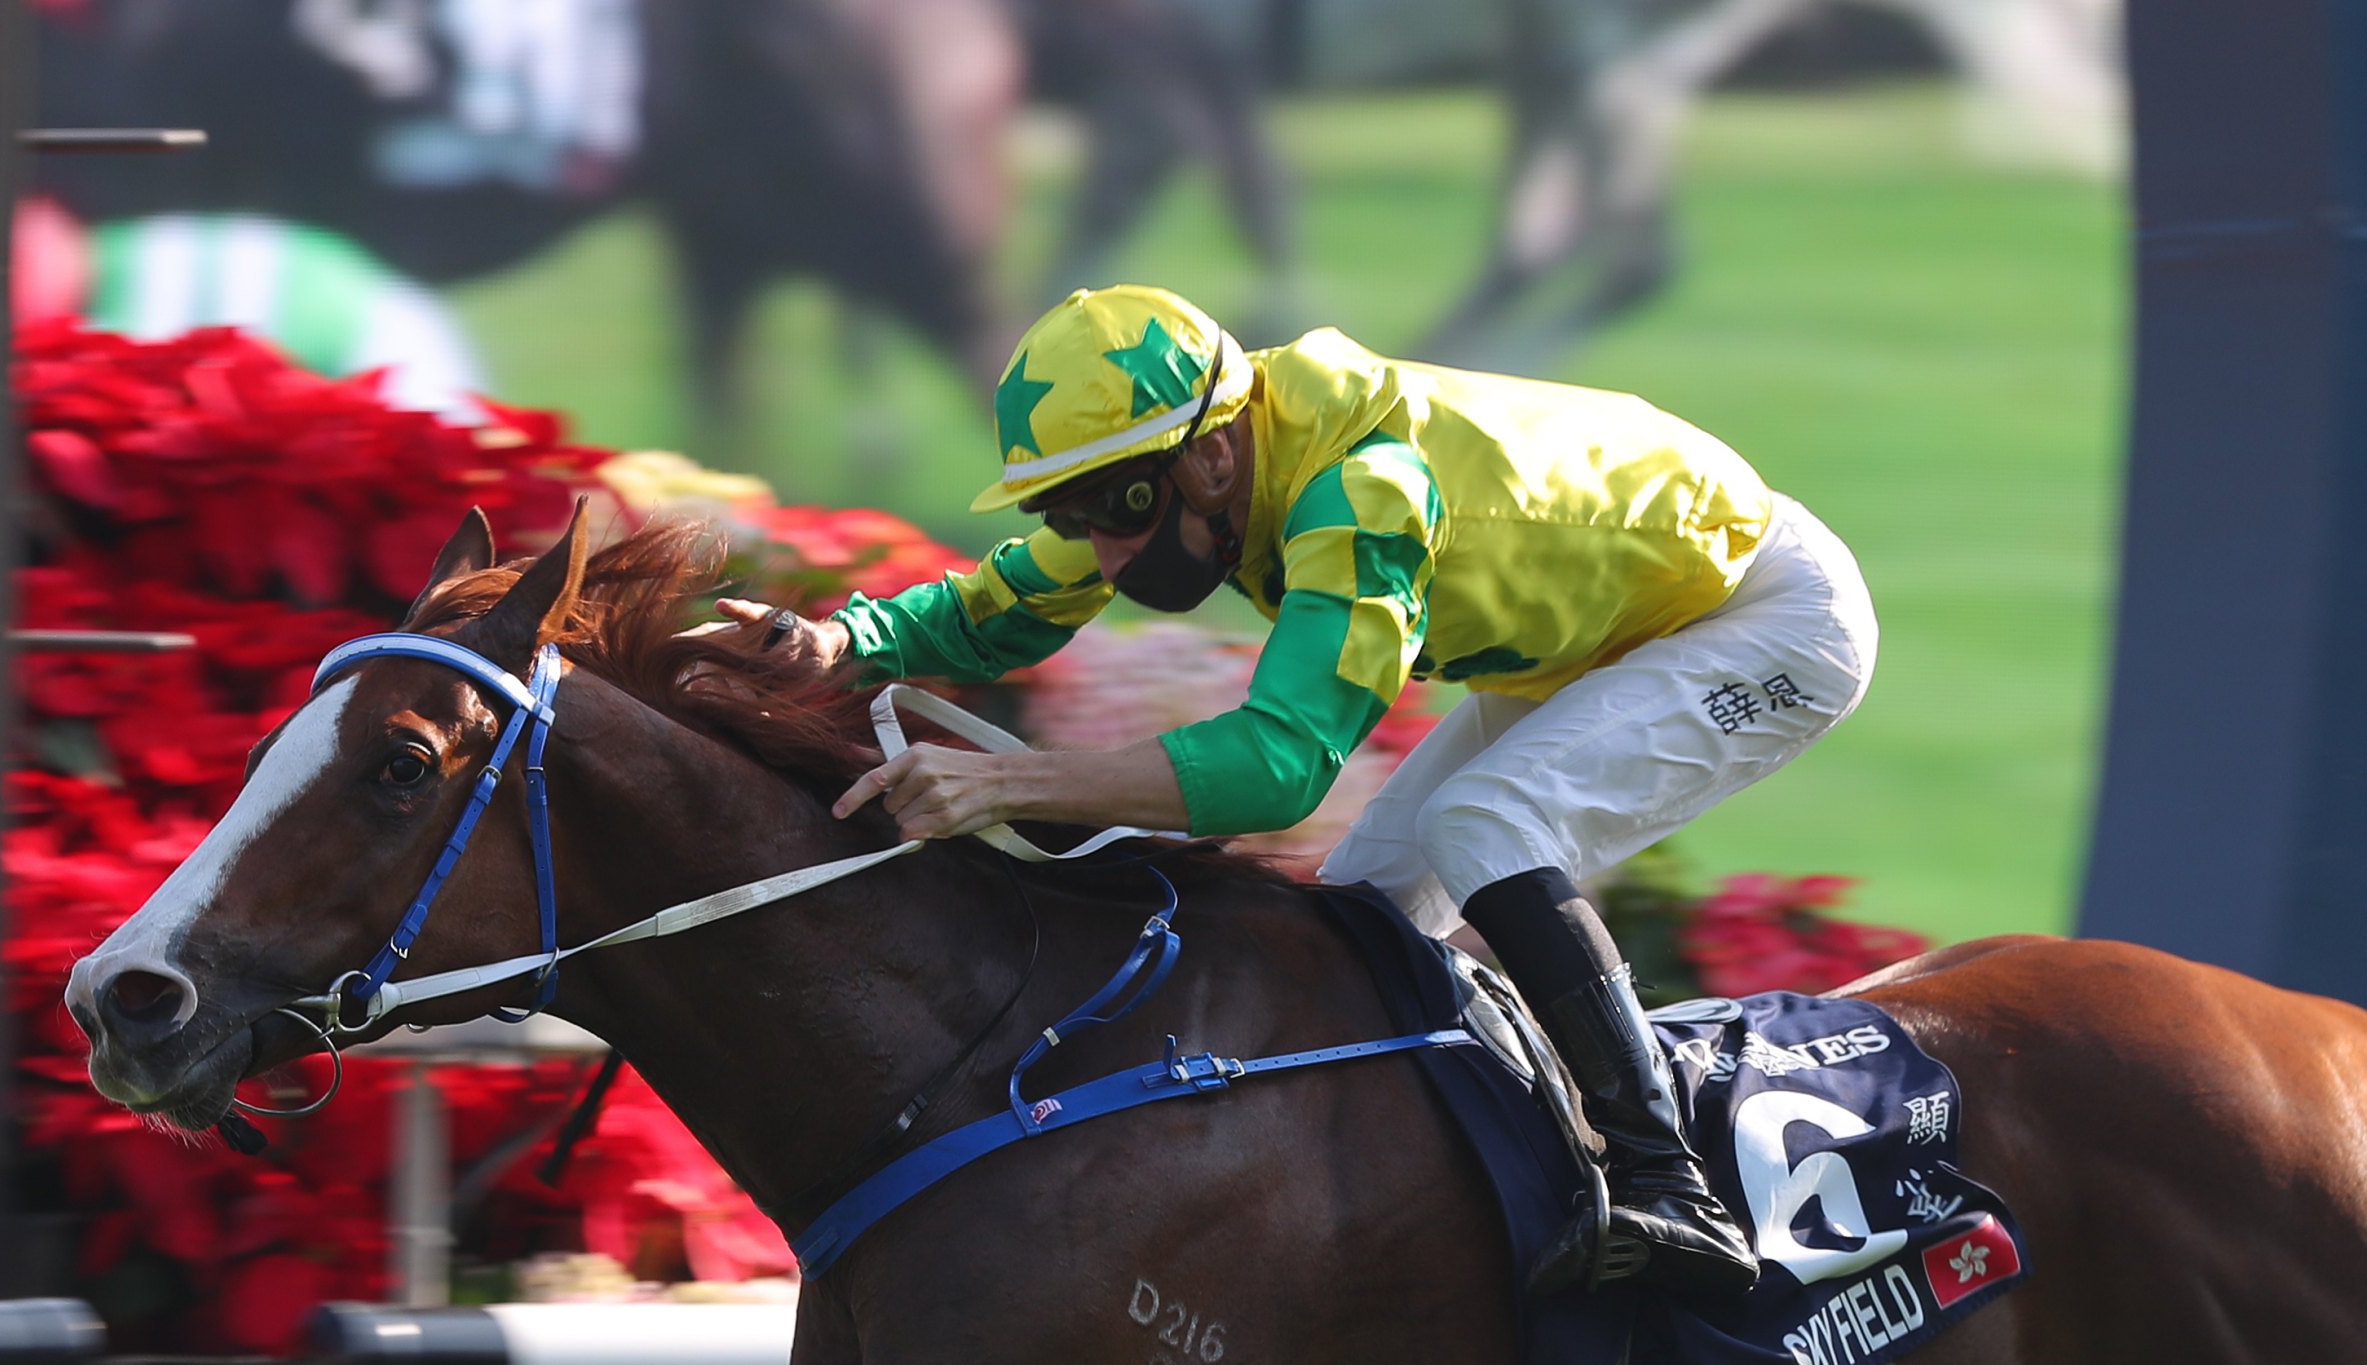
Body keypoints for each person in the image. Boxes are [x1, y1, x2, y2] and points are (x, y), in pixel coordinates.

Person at [705, 284, 1882, 1302]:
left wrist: (1006, 783)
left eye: (1112, 511)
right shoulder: (1181, 457)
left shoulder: (1362, 494)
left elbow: (1278, 768)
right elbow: (1000, 607)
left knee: (1484, 825)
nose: (1100, 552)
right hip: (1605, 629)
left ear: (1215, 454)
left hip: (1763, 620)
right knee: (1369, 910)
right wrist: (839, 638)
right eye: (1069, 513)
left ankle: (1665, 1180)